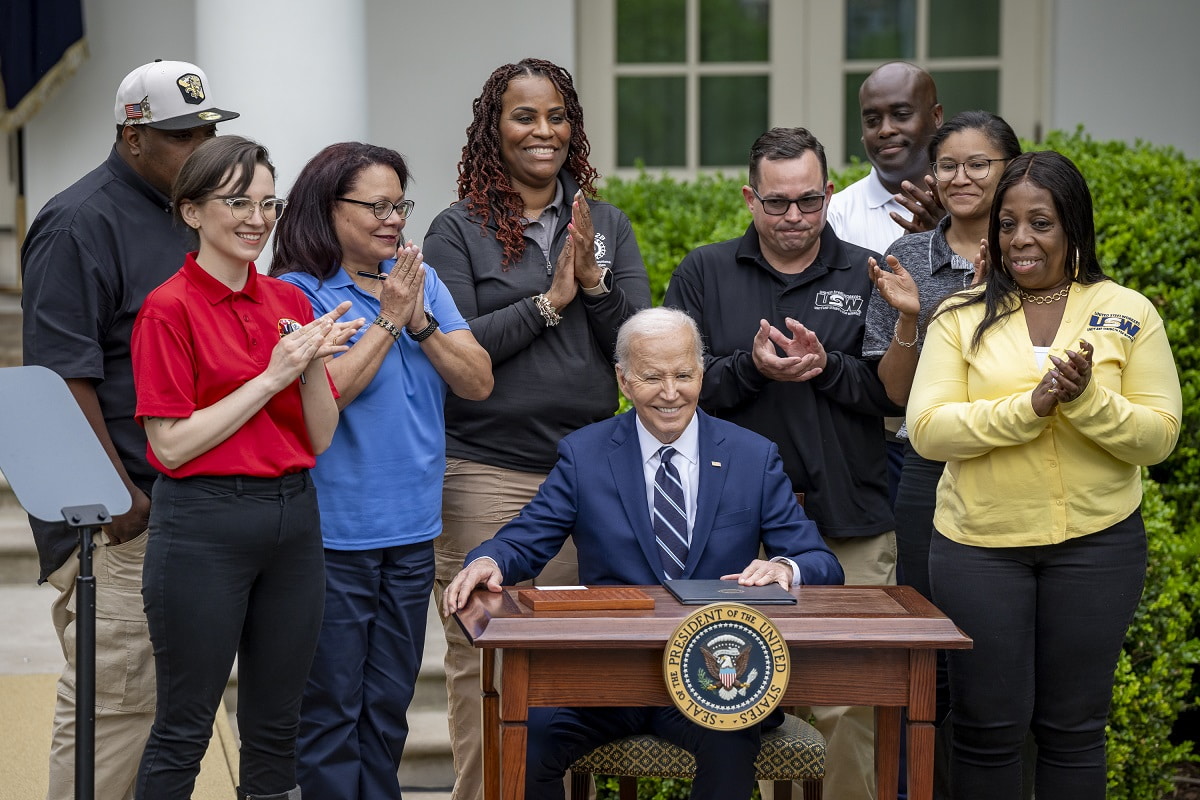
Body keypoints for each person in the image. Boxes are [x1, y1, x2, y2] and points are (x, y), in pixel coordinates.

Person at [443, 307, 844, 800]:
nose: (671, 393)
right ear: (624, 381)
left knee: (731, 742)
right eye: (653, 377)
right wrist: (490, 560)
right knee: (529, 739)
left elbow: (821, 562)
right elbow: (527, 537)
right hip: (606, 670)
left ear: (701, 373)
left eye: (683, 375)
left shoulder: (752, 455)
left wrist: (784, 566)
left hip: (714, 672)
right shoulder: (584, 454)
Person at [906, 151, 1182, 799]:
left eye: (1041, 222)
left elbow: (1159, 436)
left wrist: (1087, 399)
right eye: (1007, 224)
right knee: (986, 729)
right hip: (979, 549)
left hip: (1097, 546)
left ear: (1073, 228)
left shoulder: (1127, 313)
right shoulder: (958, 315)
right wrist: (1029, 409)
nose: (1021, 239)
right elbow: (928, 429)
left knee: (1074, 730)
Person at [422, 57, 651, 800]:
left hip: (590, 477)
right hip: (487, 471)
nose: (542, 131)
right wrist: (550, 303)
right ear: (495, 128)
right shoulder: (456, 231)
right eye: (524, 116)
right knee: (485, 666)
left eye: (555, 116)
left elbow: (636, 345)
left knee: (574, 672)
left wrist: (593, 285)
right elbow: (458, 348)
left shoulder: (604, 223)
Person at [20, 59, 237, 800]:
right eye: (182, 136)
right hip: (121, 521)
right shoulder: (78, 223)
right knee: (116, 714)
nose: (201, 148)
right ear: (133, 135)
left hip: (190, 510)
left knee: (168, 723)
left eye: (208, 132)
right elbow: (58, 377)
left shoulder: (189, 213)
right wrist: (119, 502)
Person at [664, 127, 902, 800]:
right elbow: (675, 391)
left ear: (829, 193)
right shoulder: (704, 272)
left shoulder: (868, 271)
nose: (793, 217)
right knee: (741, 693)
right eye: (776, 203)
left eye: (808, 200)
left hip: (848, 518)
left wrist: (826, 369)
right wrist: (750, 369)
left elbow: (893, 393)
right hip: (734, 526)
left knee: (848, 703)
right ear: (750, 198)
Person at [131, 135, 362, 800]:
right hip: (203, 525)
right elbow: (171, 447)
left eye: (268, 202)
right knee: (184, 728)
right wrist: (272, 377)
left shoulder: (289, 303)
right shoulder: (168, 308)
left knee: (278, 730)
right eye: (237, 201)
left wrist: (313, 362)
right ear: (192, 211)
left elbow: (318, 435)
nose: (257, 218)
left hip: (293, 520)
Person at [270, 142, 493, 800]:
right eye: (376, 206)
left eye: (400, 204)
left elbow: (477, 379)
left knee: (388, 705)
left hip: (412, 529)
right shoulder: (297, 291)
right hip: (334, 533)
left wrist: (419, 320)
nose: (393, 218)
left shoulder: (416, 279)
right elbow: (324, 391)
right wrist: (389, 322)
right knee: (333, 707)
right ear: (326, 207)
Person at [865, 110, 1021, 799]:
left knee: (1002, 657)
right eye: (948, 165)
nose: (960, 178)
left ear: (1009, 170)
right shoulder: (910, 262)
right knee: (931, 650)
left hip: (1012, 466)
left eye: (978, 163)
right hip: (926, 470)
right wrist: (908, 317)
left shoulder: (1035, 254)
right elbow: (892, 396)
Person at [827, 61, 945, 253]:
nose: (885, 130)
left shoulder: (969, 201)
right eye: (872, 121)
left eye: (901, 114)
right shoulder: (834, 216)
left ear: (936, 116)